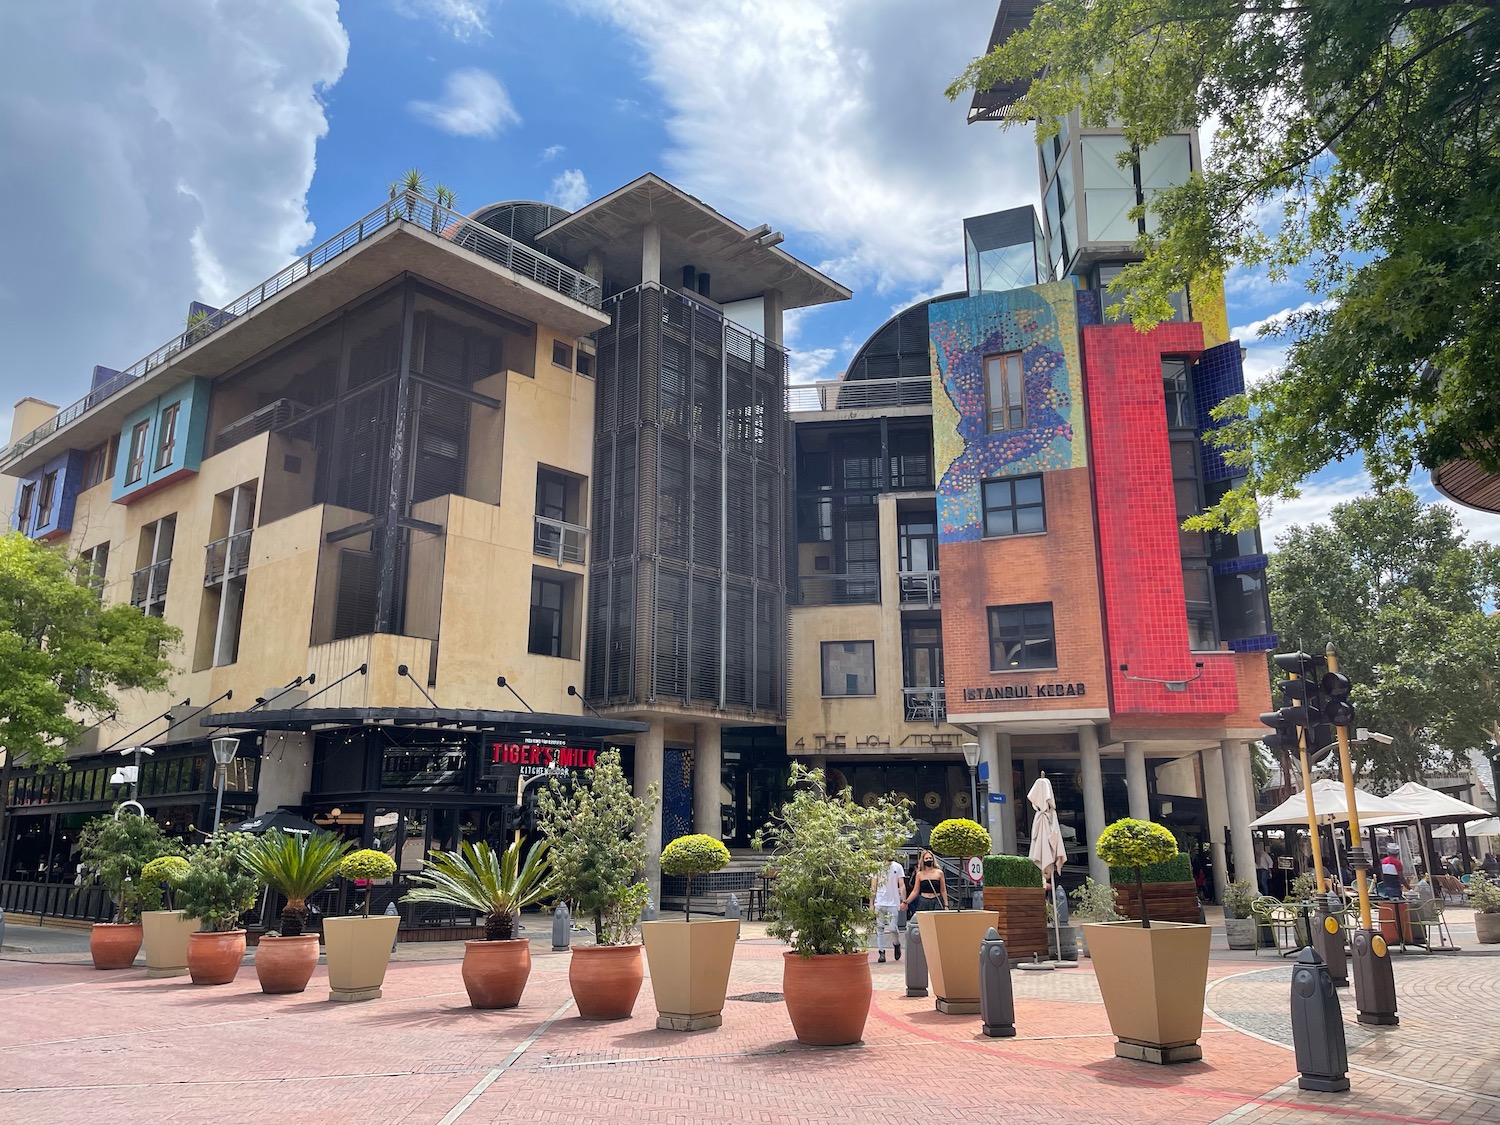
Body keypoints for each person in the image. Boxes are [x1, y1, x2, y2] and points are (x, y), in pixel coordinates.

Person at [870, 856, 905, 964]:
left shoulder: (898, 867)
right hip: (880, 902)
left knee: (892, 928)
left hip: (893, 902)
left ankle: (896, 944)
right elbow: (873, 886)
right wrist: (871, 903)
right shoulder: (877, 867)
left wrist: (904, 900)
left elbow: (902, 884)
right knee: (879, 928)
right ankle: (881, 952)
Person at [903, 851, 947, 918]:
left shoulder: (939, 873)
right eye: (926, 858)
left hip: (936, 900)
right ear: (923, 860)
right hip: (924, 901)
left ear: (933, 859)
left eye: (930, 858)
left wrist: (946, 905)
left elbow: (943, 890)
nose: (929, 860)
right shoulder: (920, 874)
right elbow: (915, 891)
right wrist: (906, 902)